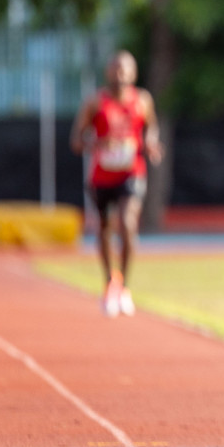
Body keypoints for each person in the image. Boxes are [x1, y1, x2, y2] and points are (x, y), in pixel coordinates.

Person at [71, 51, 162, 317]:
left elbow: (151, 128)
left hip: (131, 172)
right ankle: (109, 282)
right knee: (104, 229)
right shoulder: (95, 103)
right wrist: (98, 144)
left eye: (124, 70)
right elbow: (76, 140)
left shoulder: (142, 100)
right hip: (101, 175)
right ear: (107, 72)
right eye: (115, 69)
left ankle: (125, 287)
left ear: (133, 73)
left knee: (128, 224)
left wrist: (151, 143)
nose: (119, 74)